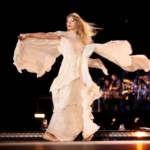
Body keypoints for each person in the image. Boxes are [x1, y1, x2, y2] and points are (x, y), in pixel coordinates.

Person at [13, 13, 150, 142]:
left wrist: (121, 58)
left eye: (72, 21)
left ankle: (80, 130)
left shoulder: (83, 39)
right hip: (67, 72)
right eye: (68, 21)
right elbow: (44, 35)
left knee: (79, 99)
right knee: (63, 99)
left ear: (78, 23)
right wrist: (27, 35)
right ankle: (65, 131)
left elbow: (99, 49)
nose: (69, 23)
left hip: (79, 72)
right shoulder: (63, 35)